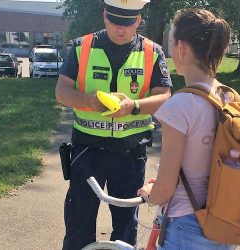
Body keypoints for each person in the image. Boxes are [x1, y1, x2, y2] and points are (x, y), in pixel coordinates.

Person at [55, 0, 172, 248]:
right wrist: (87, 101)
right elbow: (62, 92)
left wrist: (135, 106)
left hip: (130, 153)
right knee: (79, 221)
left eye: (128, 23)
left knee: (126, 224)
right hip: (87, 150)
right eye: (115, 21)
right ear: (104, 16)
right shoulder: (81, 47)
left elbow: (164, 95)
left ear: (138, 20)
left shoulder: (153, 51)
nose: (121, 28)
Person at [137, 8, 235, 250]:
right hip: (225, 222)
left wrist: (150, 192)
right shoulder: (228, 96)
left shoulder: (180, 105)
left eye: (171, 42)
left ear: (181, 48)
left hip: (187, 226)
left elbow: (166, 189)